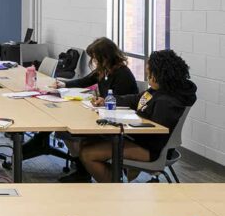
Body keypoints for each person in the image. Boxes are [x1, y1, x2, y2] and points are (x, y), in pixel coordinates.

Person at [23, 37, 138, 182]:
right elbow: (85, 81)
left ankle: (83, 171)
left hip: (116, 122)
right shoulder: (104, 70)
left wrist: (102, 102)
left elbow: (121, 102)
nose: (95, 61)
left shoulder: (123, 74)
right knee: (66, 130)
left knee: (74, 132)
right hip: (101, 114)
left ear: (106, 57)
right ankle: (81, 167)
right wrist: (64, 85)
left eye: (96, 58)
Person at [80, 50, 197, 183]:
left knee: (88, 154)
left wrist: (121, 123)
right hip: (140, 140)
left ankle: (116, 193)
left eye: (149, 74)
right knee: (87, 142)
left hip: (152, 149)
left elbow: (154, 133)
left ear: (160, 74)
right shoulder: (159, 90)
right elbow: (136, 99)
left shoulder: (168, 101)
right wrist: (108, 100)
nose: (148, 78)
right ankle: (115, 181)